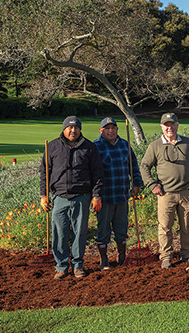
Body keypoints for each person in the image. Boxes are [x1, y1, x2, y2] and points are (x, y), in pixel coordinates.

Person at [40, 116, 104, 280]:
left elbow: (97, 174)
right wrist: (43, 195)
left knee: (79, 232)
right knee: (59, 232)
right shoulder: (52, 146)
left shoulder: (89, 148)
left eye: (76, 128)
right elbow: (44, 173)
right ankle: (61, 266)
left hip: (82, 196)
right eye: (69, 127)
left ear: (80, 130)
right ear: (64, 129)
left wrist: (96, 196)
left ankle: (77, 265)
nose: (73, 130)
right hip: (59, 197)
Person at [140, 112, 189, 269]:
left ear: (177, 125)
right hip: (165, 194)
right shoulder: (155, 146)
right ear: (162, 127)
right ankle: (166, 256)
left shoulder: (187, 144)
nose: (170, 128)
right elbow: (144, 166)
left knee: (186, 226)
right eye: (166, 125)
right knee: (165, 228)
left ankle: (187, 254)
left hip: (186, 193)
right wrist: (152, 185)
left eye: (172, 124)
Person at [93, 117, 143, 270]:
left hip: (121, 195)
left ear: (117, 129)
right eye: (107, 128)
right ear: (101, 131)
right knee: (103, 230)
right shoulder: (96, 147)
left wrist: (136, 183)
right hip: (105, 196)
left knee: (121, 228)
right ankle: (104, 259)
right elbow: (92, 172)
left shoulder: (124, 145)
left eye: (113, 128)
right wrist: (95, 195)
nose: (111, 131)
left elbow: (133, 166)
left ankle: (122, 256)